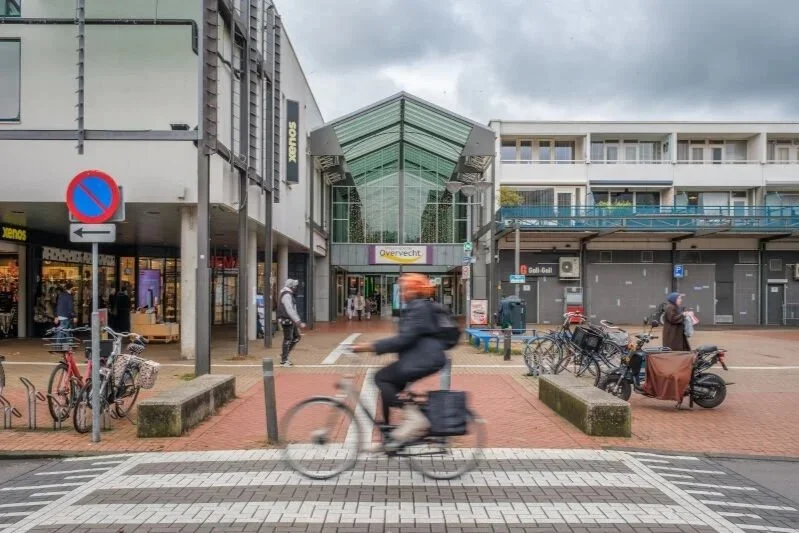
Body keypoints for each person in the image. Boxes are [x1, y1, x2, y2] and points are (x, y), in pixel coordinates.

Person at [352, 273, 448, 449]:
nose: (402, 292)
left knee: (380, 378)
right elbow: (406, 338)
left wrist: (372, 346)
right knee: (388, 388)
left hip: (423, 359)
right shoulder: (417, 306)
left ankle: (415, 418)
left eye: (405, 289)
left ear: (413, 290)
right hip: (419, 358)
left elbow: (404, 339)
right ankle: (389, 438)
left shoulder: (418, 308)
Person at [277, 279, 306, 367]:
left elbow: (293, 309)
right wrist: (298, 321)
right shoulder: (286, 295)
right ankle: (284, 360)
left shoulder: (288, 294)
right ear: (291, 287)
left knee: (296, 337)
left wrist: (296, 320)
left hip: (290, 320)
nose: (296, 288)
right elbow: (289, 309)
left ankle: (284, 355)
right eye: (295, 287)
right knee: (288, 338)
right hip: (287, 320)